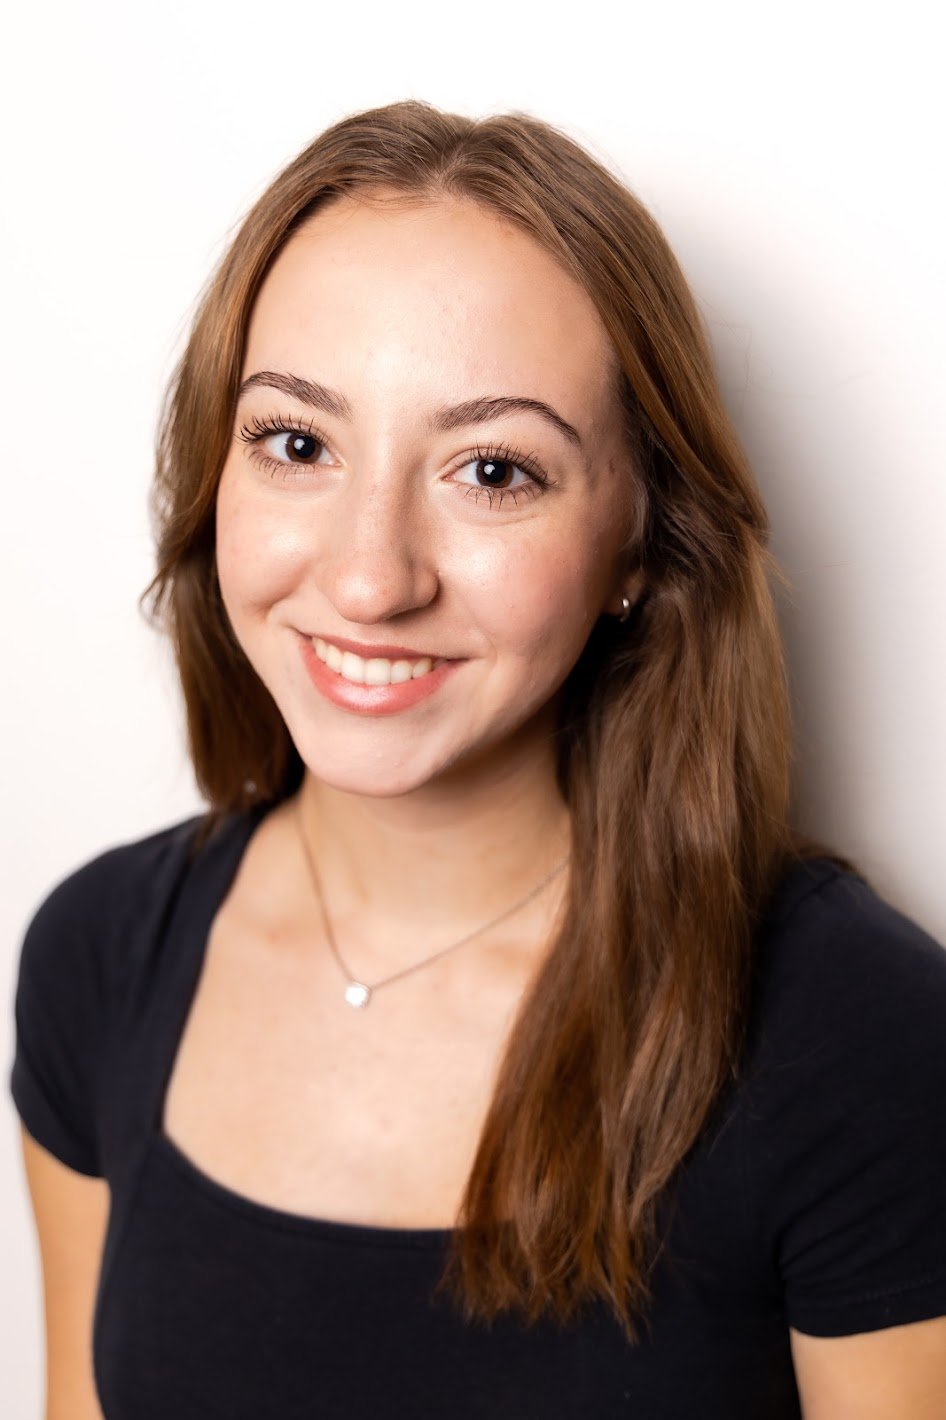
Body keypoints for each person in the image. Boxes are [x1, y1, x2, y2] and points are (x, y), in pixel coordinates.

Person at [8, 99, 946, 1420]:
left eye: (493, 470)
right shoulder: (97, 957)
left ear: (638, 546)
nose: (369, 575)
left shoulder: (853, 1034)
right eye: (295, 443)